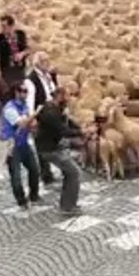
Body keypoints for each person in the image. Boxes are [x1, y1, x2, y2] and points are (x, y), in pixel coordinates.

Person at [33, 85, 85, 216]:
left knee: (70, 172)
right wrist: (81, 132)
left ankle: (67, 204)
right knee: (74, 172)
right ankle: (67, 207)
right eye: (67, 95)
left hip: (53, 146)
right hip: (49, 149)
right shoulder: (50, 112)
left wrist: (79, 129)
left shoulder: (55, 108)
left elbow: (67, 123)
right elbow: (62, 130)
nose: (69, 98)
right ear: (59, 96)